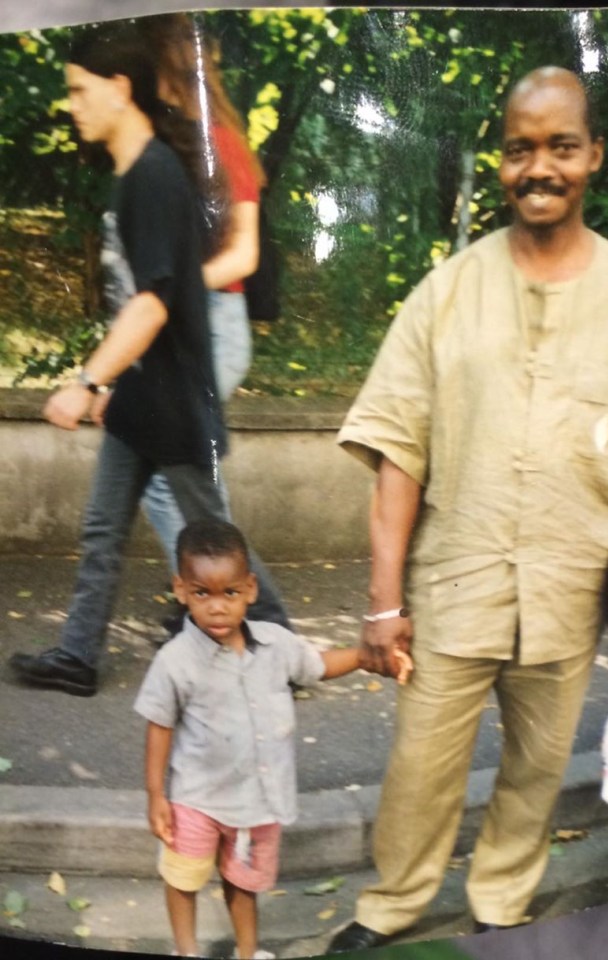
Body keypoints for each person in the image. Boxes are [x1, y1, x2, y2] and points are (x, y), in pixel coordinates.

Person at [326, 66, 608, 953]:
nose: (540, 167)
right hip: (455, 585)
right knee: (421, 769)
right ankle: (391, 909)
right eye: (519, 148)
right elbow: (395, 459)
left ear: (593, 156)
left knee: (536, 770)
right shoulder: (445, 294)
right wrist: (383, 604)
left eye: (560, 147)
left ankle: (500, 904)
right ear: (501, 162)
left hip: (570, 588)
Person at [8, 22, 289, 698]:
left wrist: (87, 381)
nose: (71, 105)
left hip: (173, 399)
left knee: (209, 530)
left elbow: (155, 302)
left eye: (79, 90)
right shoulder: (135, 173)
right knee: (103, 528)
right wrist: (115, 381)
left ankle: (276, 642)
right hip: (143, 392)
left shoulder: (156, 175)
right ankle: (78, 656)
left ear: (119, 88)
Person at [135, 518, 386, 959]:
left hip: (257, 803)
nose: (216, 607)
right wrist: (157, 795)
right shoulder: (175, 662)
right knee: (183, 878)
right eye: (202, 593)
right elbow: (159, 725)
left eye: (229, 593)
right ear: (181, 590)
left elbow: (318, 665)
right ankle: (186, 949)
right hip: (196, 801)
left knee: (243, 885)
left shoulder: (277, 644)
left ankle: (248, 953)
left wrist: (364, 657)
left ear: (250, 589)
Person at [138, 13, 266, 576]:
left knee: (175, 482)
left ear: (168, 72)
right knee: (180, 480)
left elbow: (244, 256)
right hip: (188, 325)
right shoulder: (171, 147)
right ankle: (218, 600)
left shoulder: (223, 145)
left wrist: (179, 285)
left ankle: (218, 601)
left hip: (218, 325)